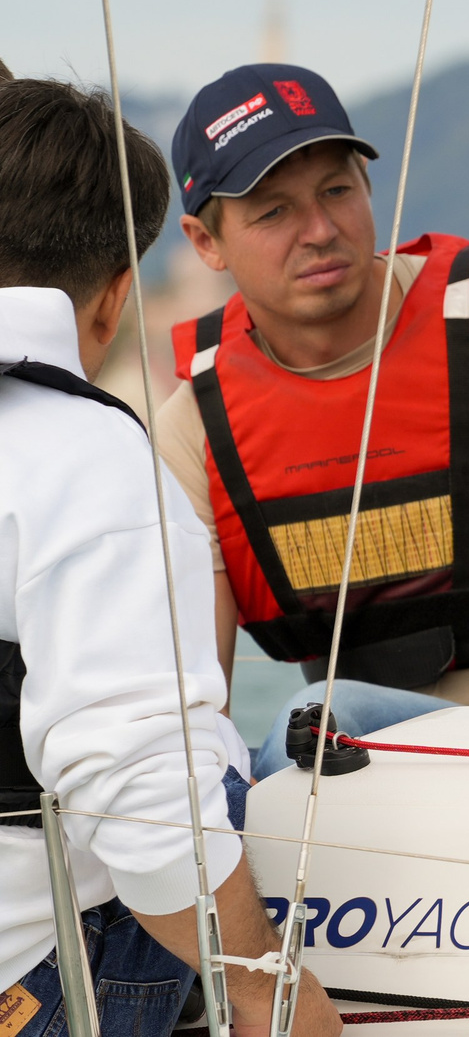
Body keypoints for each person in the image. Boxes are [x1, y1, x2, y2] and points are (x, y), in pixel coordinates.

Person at [150, 65, 469, 778]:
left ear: (368, 185)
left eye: (337, 190)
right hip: (382, 796)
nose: (320, 230)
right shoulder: (193, 435)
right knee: (306, 725)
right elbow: (195, 716)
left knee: (322, 714)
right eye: (272, 212)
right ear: (205, 242)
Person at [0, 75, 338, 1037]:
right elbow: (140, 794)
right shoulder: (85, 455)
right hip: (39, 973)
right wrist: (268, 991)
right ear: (114, 296)